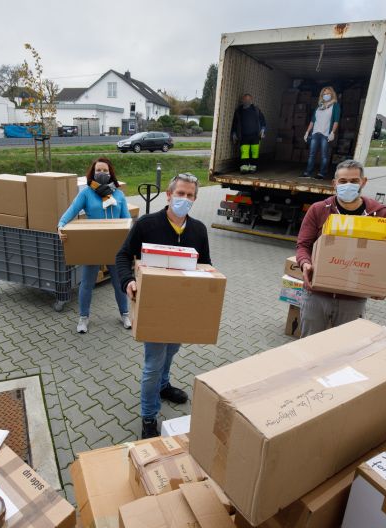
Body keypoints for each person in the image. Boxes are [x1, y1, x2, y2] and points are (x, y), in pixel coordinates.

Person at [115, 173, 211, 438]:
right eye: (180, 193)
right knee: (153, 363)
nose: (185, 199)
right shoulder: (147, 224)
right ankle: (148, 415)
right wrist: (128, 281)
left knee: (172, 351)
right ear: (168, 195)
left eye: (190, 195)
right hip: (153, 308)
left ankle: (164, 385)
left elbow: (206, 266)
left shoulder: (198, 230)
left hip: (182, 310)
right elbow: (122, 255)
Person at [295, 159, 386, 337]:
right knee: (309, 347)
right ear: (334, 183)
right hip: (317, 294)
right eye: (343, 181)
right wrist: (305, 263)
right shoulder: (319, 210)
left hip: (353, 299)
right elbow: (303, 245)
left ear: (364, 182)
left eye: (354, 181)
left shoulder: (378, 214)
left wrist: (381, 283)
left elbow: (382, 255)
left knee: (345, 349)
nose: (349, 185)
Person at [58, 157, 131, 334]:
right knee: (87, 283)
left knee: (119, 282)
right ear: (93, 173)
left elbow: (127, 219)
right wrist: (61, 225)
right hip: (93, 244)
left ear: (110, 173)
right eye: (99, 170)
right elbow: (72, 210)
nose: (102, 173)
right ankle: (83, 318)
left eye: (105, 171)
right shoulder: (86, 193)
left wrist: (131, 239)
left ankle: (125, 314)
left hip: (115, 246)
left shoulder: (118, 195)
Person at [302, 86, 341, 179]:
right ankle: (307, 173)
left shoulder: (335, 106)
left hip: (325, 134)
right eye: (324, 94)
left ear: (332, 94)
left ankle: (322, 173)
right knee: (312, 154)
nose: (326, 95)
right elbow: (312, 121)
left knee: (324, 155)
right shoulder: (319, 106)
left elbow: (336, 121)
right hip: (315, 133)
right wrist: (307, 132)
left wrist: (332, 132)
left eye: (328, 93)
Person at [230, 93, 266, 174]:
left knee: (254, 152)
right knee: (244, 153)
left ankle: (253, 167)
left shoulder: (256, 110)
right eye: (245, 99)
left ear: (251, 100)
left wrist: (263, 130)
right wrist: (234, 133)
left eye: (248, 99)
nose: (247, 101)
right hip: (243, 136)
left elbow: (263, 121)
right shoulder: (238, 111)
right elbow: (235, 123)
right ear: (242, 100)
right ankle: (244, 168)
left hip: (255, 136)